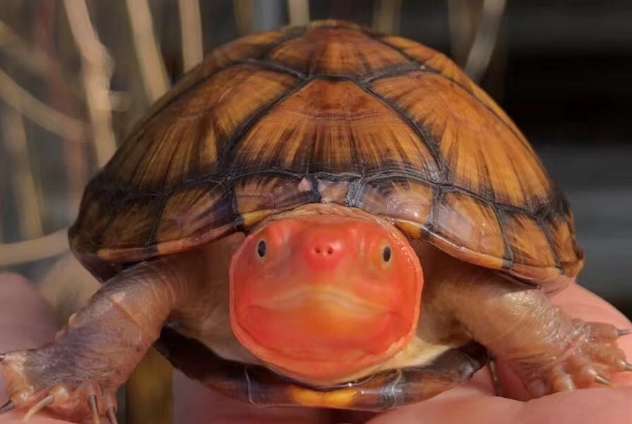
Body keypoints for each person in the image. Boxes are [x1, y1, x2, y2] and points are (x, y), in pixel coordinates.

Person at [1, 272, 631, 424]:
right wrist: (77, 368)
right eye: (273, 253)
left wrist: (558, 348)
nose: (324, 281)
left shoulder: (451, 284)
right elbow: (150, 282)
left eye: (381, 257)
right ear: (247, 254)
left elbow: (488, 290)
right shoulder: (197, 275)